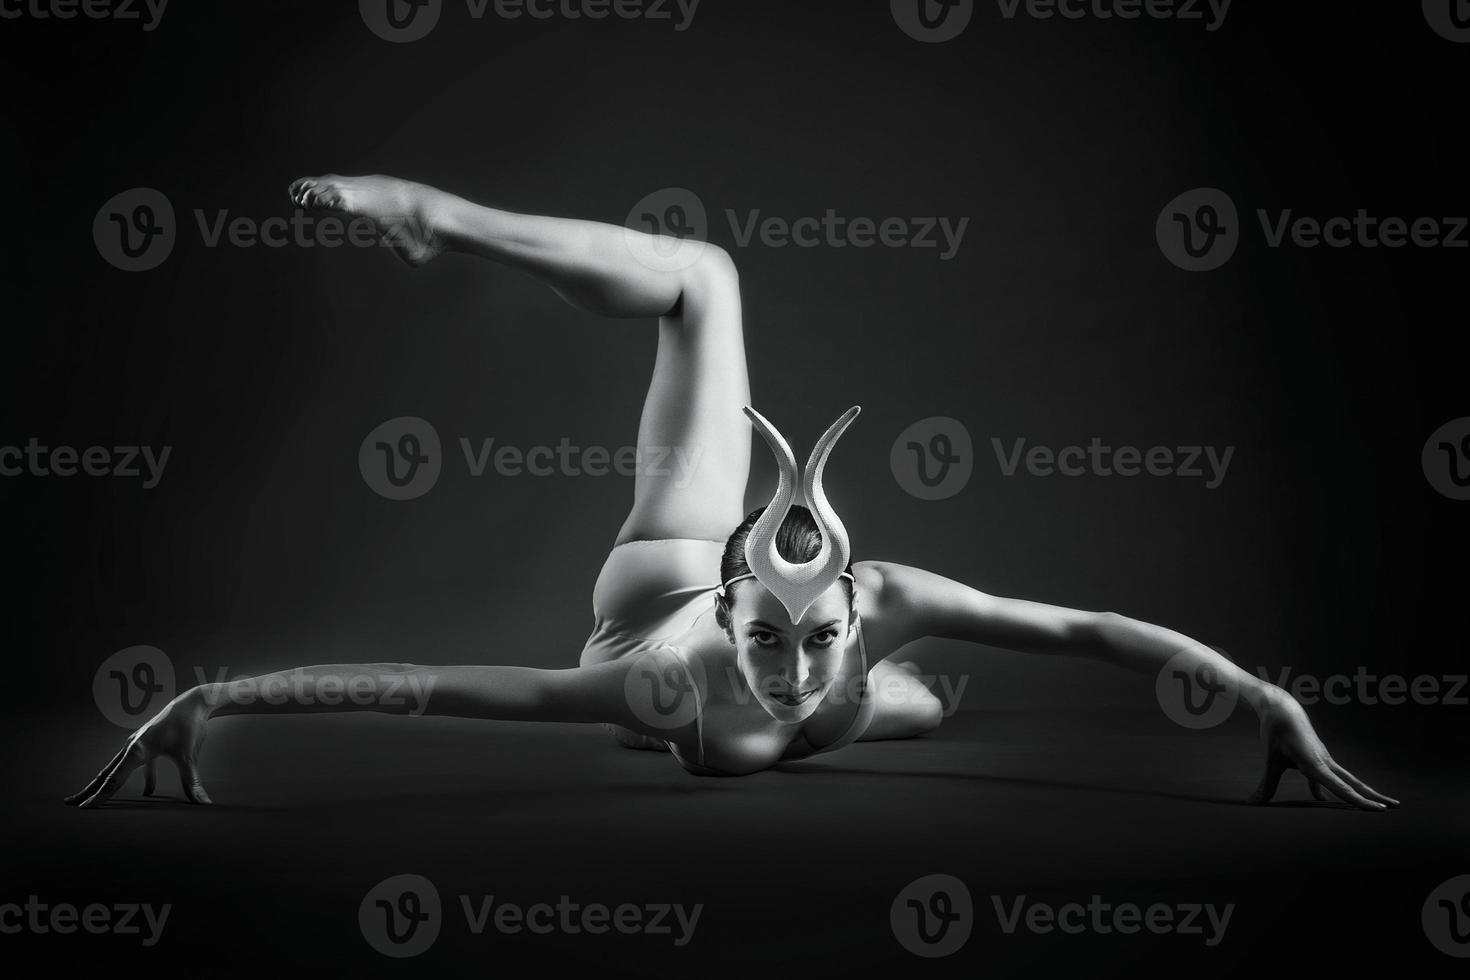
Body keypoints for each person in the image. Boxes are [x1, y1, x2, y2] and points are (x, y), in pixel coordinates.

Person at [67, 175, 1397, 810]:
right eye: (769, 634)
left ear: (863, 608)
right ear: (731, 603)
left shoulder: (877, 612)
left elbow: (1089, 632)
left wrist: (1263, 699)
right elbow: (428, 683)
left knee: (908, 708)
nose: (792, 659)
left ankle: (905, 703)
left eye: (818, 637)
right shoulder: (663, 671)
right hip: (647, 592)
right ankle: (443, 215)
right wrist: (215, 698)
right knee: (702, 277)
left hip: (799, 649)